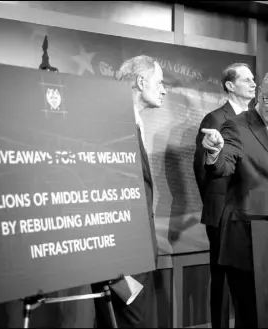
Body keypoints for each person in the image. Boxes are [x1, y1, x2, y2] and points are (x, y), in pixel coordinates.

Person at [201, 69, 268, 327]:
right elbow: (224, 165)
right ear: (259, 94)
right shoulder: (238, 125)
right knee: (251, 318)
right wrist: (214, 154)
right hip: (247, 241)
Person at [91, 55, 166, 328]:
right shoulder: (111, 125)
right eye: (160, 82)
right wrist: (115, 270)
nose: (164, 89)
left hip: (136, 255)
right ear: (141, 81)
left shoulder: (131, 123)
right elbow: (100, 195)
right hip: (122, 261)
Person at [193, 63, 256, 328]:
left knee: (247, 279)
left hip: (248, 211)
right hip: (221, 212)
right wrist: (216, 203)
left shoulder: (255, 121)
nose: (254, 84)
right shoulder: (215, 118)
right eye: (247, 79)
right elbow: (201, 168)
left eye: (254, 79)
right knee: (221, 278)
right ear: (230, 85)